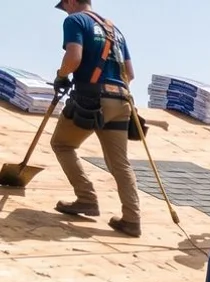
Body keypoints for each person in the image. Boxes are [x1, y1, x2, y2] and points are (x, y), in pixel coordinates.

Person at [49, 0, 141, 237]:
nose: (65, 11)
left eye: (65, 6)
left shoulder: (75, 21)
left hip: (93, 99)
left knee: (62, 144)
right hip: (121, 101)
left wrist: (61, 76)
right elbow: (130, 74)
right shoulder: (114, 29)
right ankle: (132, 219)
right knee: (120, 163)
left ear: (71, 1)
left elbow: (73, 58)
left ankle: (86, 198)